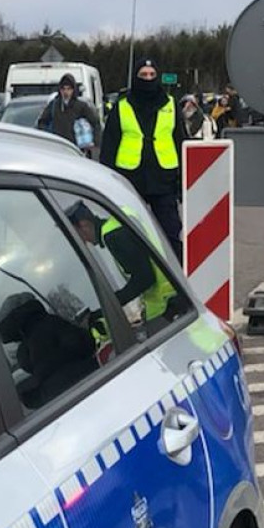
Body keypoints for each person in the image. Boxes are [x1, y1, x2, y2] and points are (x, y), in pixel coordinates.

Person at [99, 58, 189, 260]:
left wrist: (184, 180)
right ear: (135, 78)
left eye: (151, 75)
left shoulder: (171, 105)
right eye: (143, 75)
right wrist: (106, 182)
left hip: (164, 181)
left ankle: (176, 281)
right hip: (130, 181)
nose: (148, 79)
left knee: (170, 234)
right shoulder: (121, 107)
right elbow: (109, 147)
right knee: (132, 235)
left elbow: (180, 142)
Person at [66, 202, 181, 332]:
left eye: (76, 234)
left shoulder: (113, 236)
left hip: (170, 303)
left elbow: (145, 278)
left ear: (84, 225)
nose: (83, 241)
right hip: (175, 289)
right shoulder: (117, 222)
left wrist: (107, 308)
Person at [37, 73, 101, 157]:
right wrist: (49, 136)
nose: (66, 92)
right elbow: (41, 122)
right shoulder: (54, 105)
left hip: (77, 149)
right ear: (60, 90)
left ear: (73, 90)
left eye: (69, 89)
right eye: (63, 89)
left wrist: (94, 142)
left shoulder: (81, 106)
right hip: (57, 147)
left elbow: (95, 122)